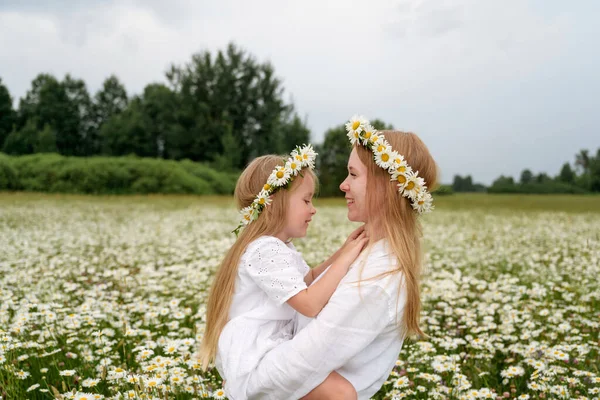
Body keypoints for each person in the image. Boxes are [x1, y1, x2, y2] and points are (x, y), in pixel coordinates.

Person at [245, 116, 438, 399]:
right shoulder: (366, 251)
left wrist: (245, 380)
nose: (342, 185)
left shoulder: (379, 277)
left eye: (354, 174)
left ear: (386, 185)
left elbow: (304, 361)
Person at [199, 144, 368, 400]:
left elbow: (307, 280)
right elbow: (309, 303)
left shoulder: (276, 247)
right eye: (306, 200)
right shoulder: (264, 250)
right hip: (258, 356)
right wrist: (345, 259)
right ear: (273, 203)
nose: (313, 209)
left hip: (273, 348)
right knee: (340, 393)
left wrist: (342, 252)